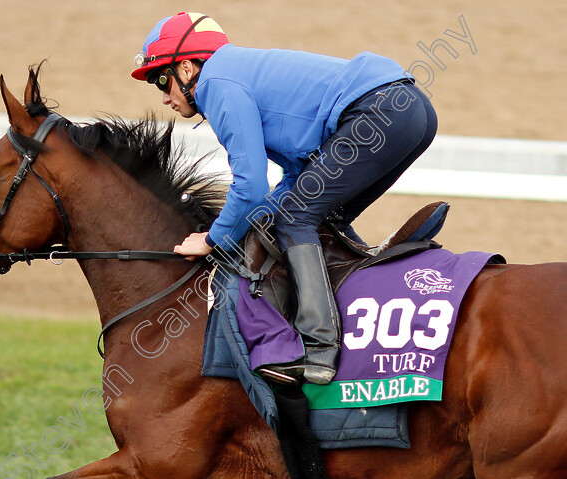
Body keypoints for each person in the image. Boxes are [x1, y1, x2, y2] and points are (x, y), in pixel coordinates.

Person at [132, 12, 437, 385]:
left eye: (162, 80)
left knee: (296, 219)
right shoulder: (236, 73)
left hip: (379, 111)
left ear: (186, 68)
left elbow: (250, 187)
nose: (164, 97)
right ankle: (365, 300)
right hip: (410, 110)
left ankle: (319, 349)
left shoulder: (217, 83)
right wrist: (251, 225)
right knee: (320, 216)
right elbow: (296, 177)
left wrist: (213, 239)